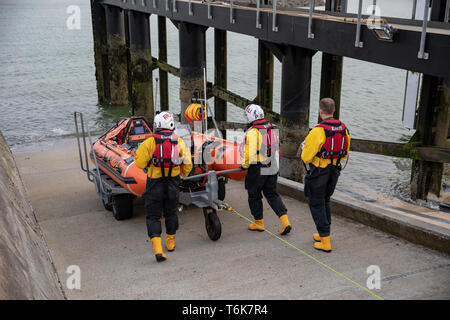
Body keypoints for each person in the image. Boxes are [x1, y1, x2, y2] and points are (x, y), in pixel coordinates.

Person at [134, 111, 193, 262]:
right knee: (171, 213)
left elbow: (139, 163)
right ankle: (171, 243)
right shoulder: (179, 142)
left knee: (153, 216)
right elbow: (187, 163)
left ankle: (158, 250)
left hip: (155, 184)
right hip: (173, 183)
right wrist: (183, 175)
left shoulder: (150, 142)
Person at [301, 98, 351, 252]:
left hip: (320, 171)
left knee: (316, 203)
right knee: (325, 200)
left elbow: (306, 157)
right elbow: (345, 152)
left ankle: (325, 241)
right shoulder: (343, 128)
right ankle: (324, 234)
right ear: (334, 110)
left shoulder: (318, 130)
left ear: (321, 111)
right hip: (335, 170)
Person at [241, 104, 291, 235]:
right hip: (272, 165)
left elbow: (249, 154)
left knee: (254, 194)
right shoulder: (272, 129)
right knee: (272, 194)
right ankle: (285, 222)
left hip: (258, 167)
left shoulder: (252, 132)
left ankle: (259, 223)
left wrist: (244, 166)